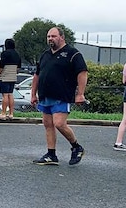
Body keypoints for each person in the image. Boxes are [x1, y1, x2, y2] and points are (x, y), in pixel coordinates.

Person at [29, 27, 88, 166]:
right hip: (45, 95)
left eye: (53, 36)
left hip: (62, 95)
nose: (50, 39)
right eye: (48, 36)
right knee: (48, 124)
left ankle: (76, 147)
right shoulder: (45, 55)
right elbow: (37, 75)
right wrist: (33, 94)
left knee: (59, 123)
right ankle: (51, 154)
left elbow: (82, 72)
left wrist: (80, 94)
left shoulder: (73, 54)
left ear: (61, 37)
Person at [0, 39, 21, 120]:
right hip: (13, 76)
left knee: (5, 94)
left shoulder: (5, 53)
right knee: (10, 94)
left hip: (5, 75)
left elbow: (1, 66)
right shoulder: (17, 54)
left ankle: (3, 113)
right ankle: (11, 113)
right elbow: (18, 67)